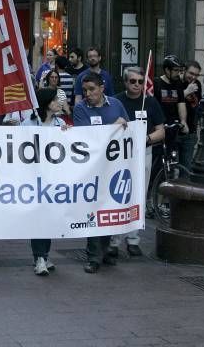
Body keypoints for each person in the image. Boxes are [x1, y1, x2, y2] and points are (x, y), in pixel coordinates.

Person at [73, 72, 129, 274]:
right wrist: (113, 127)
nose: (88, 94)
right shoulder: (80, 109)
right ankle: (93, 256)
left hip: (114, 166)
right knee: (94, 211)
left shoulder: (115, 104)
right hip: (92, 168)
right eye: (85, 90)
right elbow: (87, 137)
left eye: (92, 89)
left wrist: (123, 126)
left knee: (109, 209)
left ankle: (106, 251)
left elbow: (128, 129)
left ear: (102, 88)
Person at [112, 66, 165, 258]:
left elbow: (161, 130)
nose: (137, 85)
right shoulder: (116, 101)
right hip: (120, 154)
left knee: (139, 194)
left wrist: (147, 139)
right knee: (117, 193)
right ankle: (114, 241)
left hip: (143, 153)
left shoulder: (150, 102)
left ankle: (133, 240)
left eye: (140, 82)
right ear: (125, 82)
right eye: (132, 81)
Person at [21, 87, 66, 275]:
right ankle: (39, 258)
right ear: (47, 103)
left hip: (54, 180)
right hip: (33, 179)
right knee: (38, 218)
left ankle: (44, 256)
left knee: (49, 219)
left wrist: (68, 134)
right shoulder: (28, 124)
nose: (59, 102)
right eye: (56, 99)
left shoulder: (61, 123)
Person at [155, 55, 189, 163]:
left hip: (173, 127)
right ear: (166, 70)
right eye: (175, 70)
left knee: (173, 159)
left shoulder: (178, 83)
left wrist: (183, 121)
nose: (178, 73)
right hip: (160, 126)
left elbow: (181, 103)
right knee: (159, 158)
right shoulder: (156, 83)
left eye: (180, 71)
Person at [180, 60, 203, 170]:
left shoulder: (197, 84)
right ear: (184, 71)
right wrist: (186, 91)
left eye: (196, 75)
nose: (193, 77)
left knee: (186, 167)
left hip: (191, 131)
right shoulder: (177, 83)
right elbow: (171, 102)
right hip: (176, 131)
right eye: (191, 73)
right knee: (171, 166)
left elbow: (197, 104)